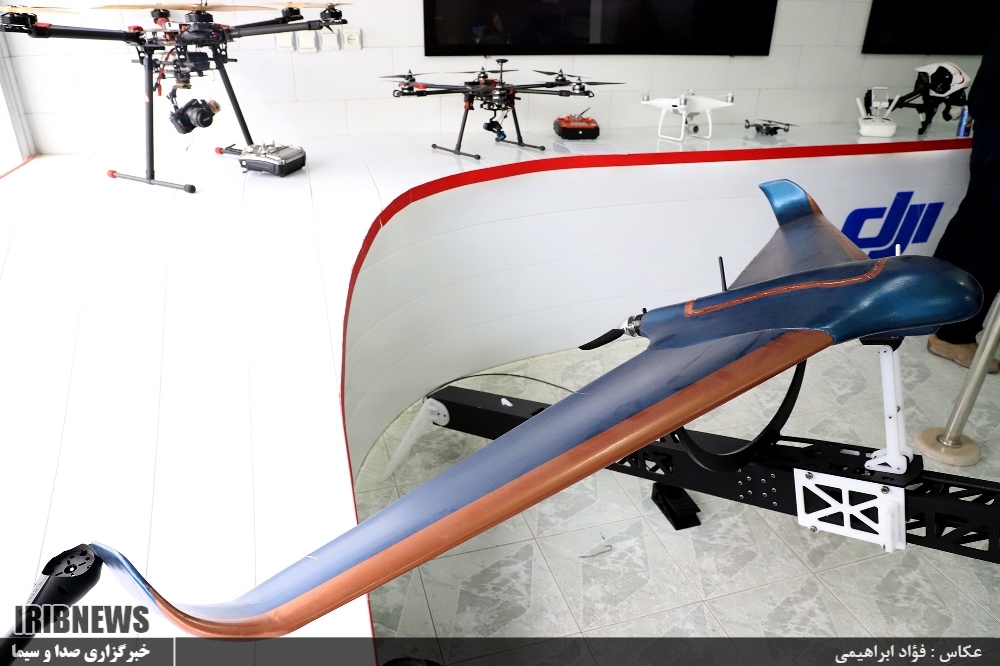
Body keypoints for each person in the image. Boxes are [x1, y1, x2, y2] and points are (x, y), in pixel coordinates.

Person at [927, 10, 1000, 373]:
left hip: (993, 110)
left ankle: (934, 310)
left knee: (974, 217)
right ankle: (955, 334)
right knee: (994, 235)